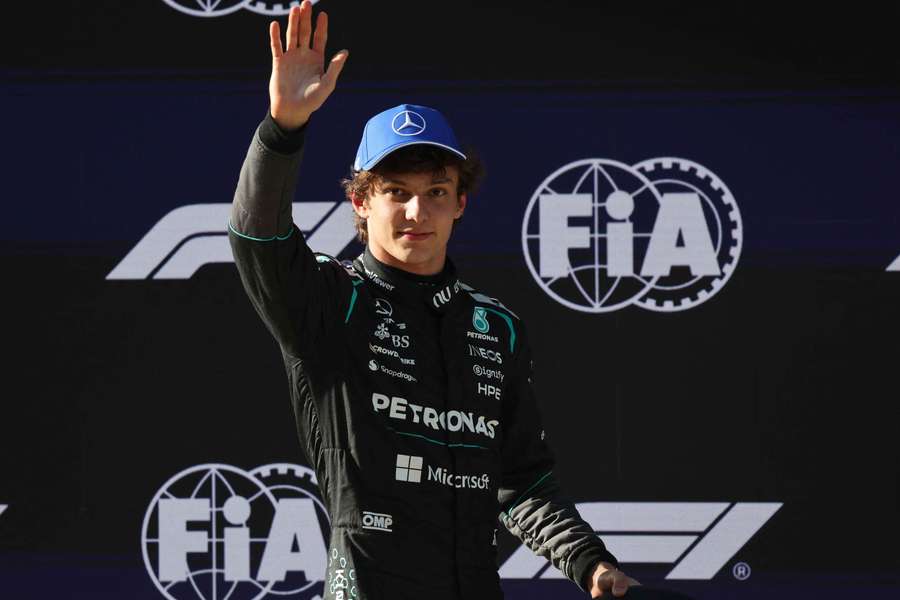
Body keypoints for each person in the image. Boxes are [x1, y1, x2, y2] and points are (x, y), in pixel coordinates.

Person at [228, 1, 640, 598]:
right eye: (396, 192)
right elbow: (257, 237)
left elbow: (521, 481)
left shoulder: (496, 327)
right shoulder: (328, 301)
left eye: (437, 192)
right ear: (360, 205)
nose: (418, 212)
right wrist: (283, 128)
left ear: (460, 203)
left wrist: (588, 563)